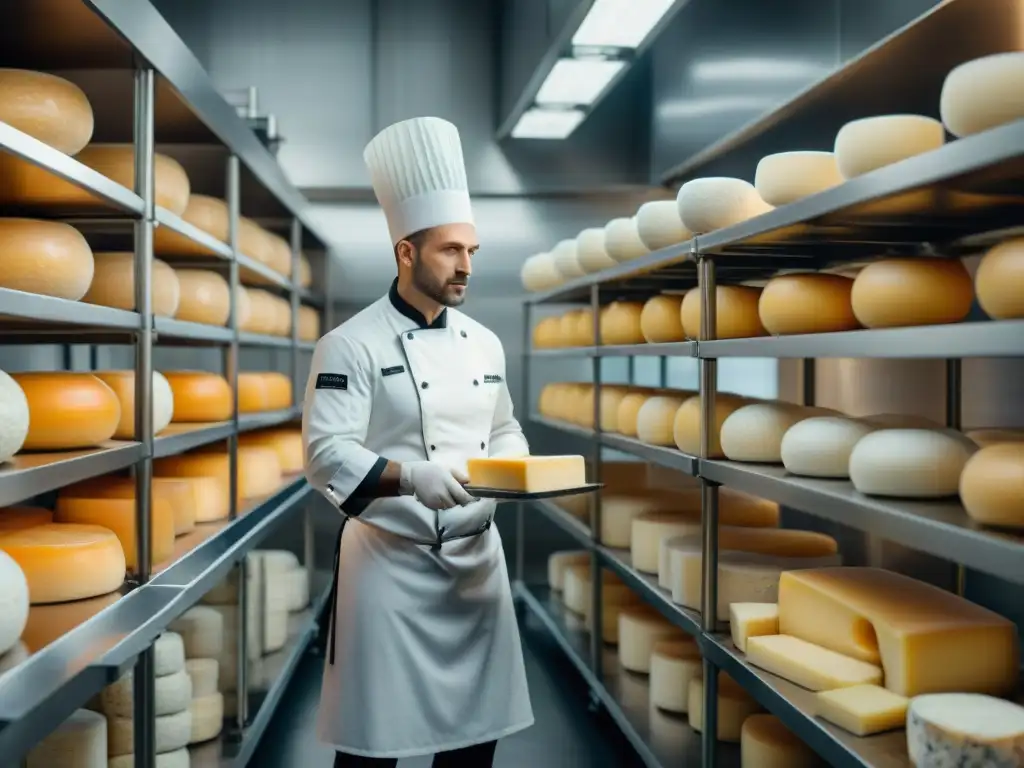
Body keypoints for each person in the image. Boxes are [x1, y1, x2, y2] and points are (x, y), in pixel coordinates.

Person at [302, 116, 534, 768]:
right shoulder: (350, 343)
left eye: (472, 252)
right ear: (406, 253)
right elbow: (325, 452)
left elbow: (503, 425)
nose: (465, 266)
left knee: (470, 752)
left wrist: (512, 458)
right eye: (449, 251)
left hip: (476, 569)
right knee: (373, 750)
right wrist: (409, 478)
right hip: (389, 572)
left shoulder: (485, 343)